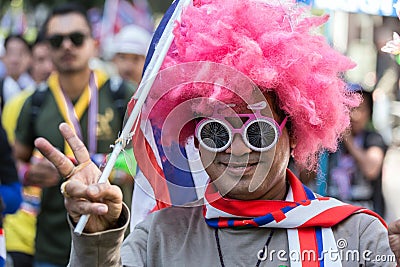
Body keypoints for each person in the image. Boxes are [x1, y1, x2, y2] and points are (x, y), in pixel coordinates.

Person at [34, 1, 398, 266]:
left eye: (257, 132)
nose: (237, 149)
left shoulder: (355, 235)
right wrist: (98, 242)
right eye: (214, 132)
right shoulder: (158, 237)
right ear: (193, 137)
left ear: (294, 133)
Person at [13, 3, 135, 267]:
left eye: (77, 38)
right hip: (52, 246)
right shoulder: (35, 102)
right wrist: (27, 174)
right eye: (57, 41)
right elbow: (14, 162)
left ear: (94, 43)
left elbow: (147, 162)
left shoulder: (121, 95)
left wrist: (101, 170)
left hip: (115, 241)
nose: (67, 46)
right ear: (46, 48)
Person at [2, 33, 54, 267]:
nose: (47, 67)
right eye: (40, 59)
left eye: (50, 59)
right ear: (30, 62)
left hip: (63, 231)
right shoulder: (19, 104)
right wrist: (26, 173)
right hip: (21, 231)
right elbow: (8, 163)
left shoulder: (85, 102)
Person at [308, 84, 387, 216]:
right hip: (331, 214)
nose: (355, 115)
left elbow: (371, 170)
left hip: (365, 214)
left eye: (360, 109)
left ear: (369, 113)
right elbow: (306, 177)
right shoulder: (328, 141)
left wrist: (347, 137)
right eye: (350, 109)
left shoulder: (374, 139)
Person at [0, 34, 34, 109]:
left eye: (20, 54)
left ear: (30, 58)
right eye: (10, 53)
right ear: (3, 58)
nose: (14, 60)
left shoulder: (36, 89)